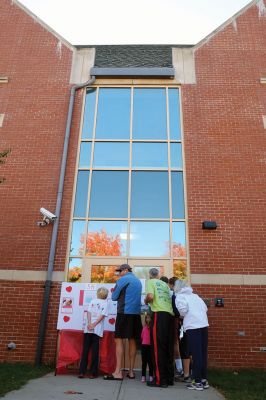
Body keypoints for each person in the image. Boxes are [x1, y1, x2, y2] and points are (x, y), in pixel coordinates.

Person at [103, 264, 142, 381]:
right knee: (133, 340)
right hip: (136, 314)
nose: (118, 273)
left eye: (120, 271)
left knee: (118, 340)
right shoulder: (138, 281)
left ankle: (118, 372)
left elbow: (114, 297)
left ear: (126, 270)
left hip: (124, 313)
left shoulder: (122, 280)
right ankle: (131, 372)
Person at [174, 280, 209, 391]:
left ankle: (197, 382)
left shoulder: (179, 297)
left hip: (192, 326)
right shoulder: (195, 296)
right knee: (202, 354)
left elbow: (183, 311)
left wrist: (182, 317)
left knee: (196, 354)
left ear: (177, 288)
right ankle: (204, 380)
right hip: (204, 325)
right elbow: (205, 308)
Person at [144, 268, 175, 388]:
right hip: (170, 316)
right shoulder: (165, 285)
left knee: (158, 348)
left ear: (150, 275)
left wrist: (145, 301)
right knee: (168, 348)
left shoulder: (150, 282)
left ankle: (159, 380)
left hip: (159, 315)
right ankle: (169, 378)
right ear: (158, 275)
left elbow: (150, 297)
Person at [78, 287, 109, 379]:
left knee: (85, 350)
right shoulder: (106, 303)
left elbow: (88, 313)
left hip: (88, 328)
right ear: (105, 295)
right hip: (97, 329)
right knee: (95, 352)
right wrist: (94, 324)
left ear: (98, 293)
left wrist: (89, 324)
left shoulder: (92, 301)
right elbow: (102, 315)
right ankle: (93, 373)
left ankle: (81, 372)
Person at [141, 314, 153, 383]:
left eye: (149, 318)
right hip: (144, 345)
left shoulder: (152, 327)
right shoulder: (144, 327)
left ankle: (151, 376)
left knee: (150, 362)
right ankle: (143, 376)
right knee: (144, 362)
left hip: (150, 346)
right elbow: (142, 336)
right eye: (146, 318)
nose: (148, 319)